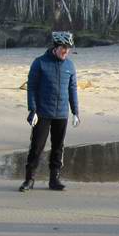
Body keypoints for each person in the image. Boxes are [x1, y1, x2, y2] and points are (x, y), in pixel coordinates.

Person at [20, 31, 80, 192]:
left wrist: (75, 112)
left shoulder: (70, 66)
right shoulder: (39, 63)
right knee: (37, 147)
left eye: (68, 49)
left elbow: (72, 89)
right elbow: (31, 88)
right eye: (63, 48)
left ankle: (54, 179)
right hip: (42, 113)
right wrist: (32, 110)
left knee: (58, 147)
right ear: (55, 47)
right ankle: (29, 179)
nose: (66, 51)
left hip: (61, 114)